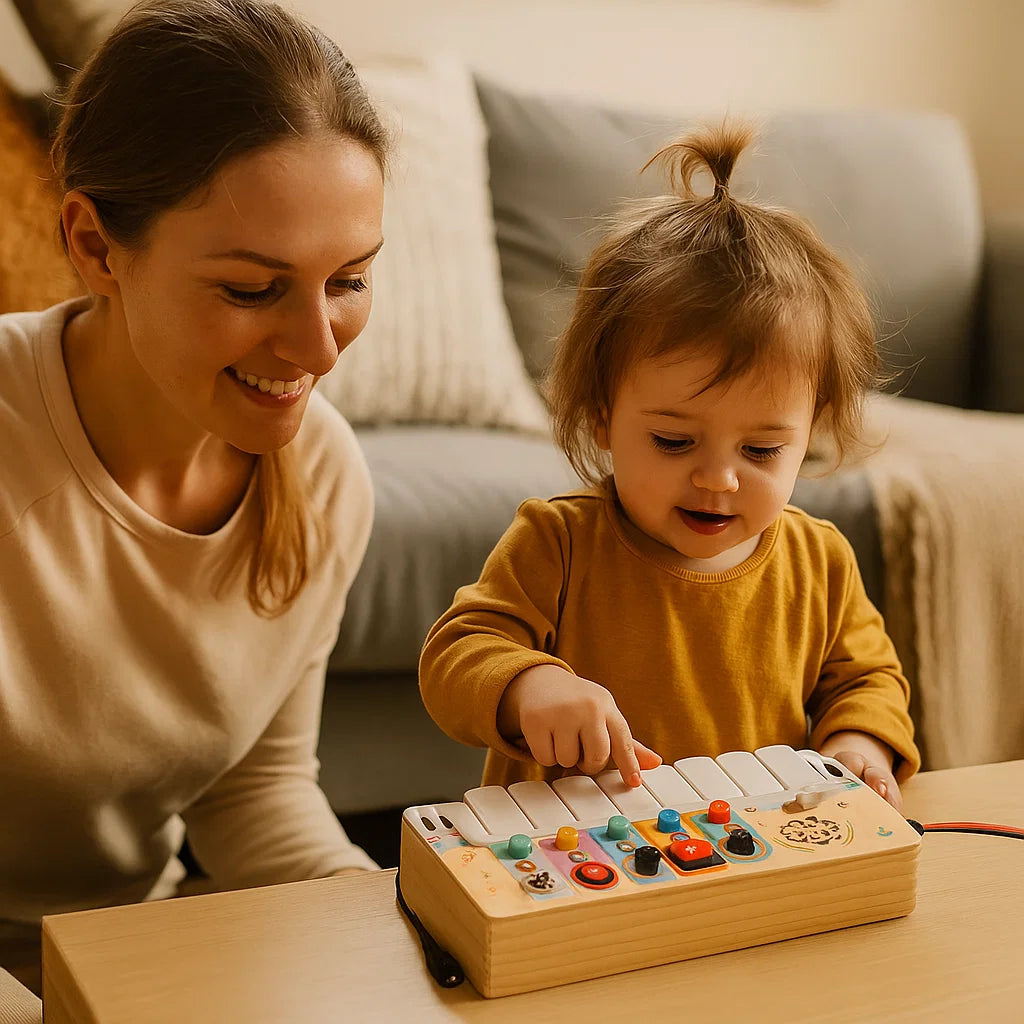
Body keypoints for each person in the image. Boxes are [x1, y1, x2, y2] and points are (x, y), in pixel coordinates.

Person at [0, 0, 389, 993]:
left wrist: (386, 941)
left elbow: (253, 790)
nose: (317, 349)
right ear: (93, 244)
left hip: (132, 956)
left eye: (347, 279)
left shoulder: (328, 472)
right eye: (254, 289)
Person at [419, 123, 919, 817]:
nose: (718, 479)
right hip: (576, 863)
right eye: (674, 441)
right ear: (600, 414)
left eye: (762, 450)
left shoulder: (821, 563)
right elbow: (457, 651)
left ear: (812, 431)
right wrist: (529, 685)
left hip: (754, 856)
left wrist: (859, 742)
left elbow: (868, 679)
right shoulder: (557, 544)